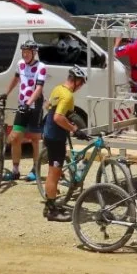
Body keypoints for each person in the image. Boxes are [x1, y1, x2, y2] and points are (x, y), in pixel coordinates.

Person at [41, 66, 89, 222]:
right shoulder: (67, 95)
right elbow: (58, 117)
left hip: (50, 134)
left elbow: (47, 106)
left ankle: (51, 205)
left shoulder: (57, 89)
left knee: (54, 172)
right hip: (56, 137)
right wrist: (74, 129)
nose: (80, 87)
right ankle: (51, 210)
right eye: (81, 83)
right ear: (76, 81)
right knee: (53, 174)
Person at [1, 40, 47, 182]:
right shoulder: (20, 64)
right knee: (15, 138)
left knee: (34, 139)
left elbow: (38, 89)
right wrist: (5, 94)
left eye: (28, 52)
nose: (25, 54)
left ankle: (35, 169)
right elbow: (15, 80)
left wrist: (29, 103)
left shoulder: (41, 67)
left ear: (34, 53)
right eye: (23, 52)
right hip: (22, 106)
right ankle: (15, 171)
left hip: (35, 106)